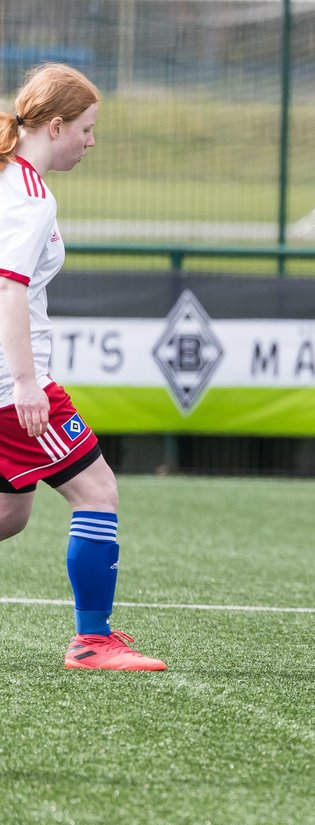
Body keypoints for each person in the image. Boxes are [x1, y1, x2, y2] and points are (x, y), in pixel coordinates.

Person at [0, 63, 166, 671]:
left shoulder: (6, 177)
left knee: (10, 513)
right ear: (57, 124)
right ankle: (93, 641)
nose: (92, 142)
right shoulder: (29, 197)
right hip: (11, 385)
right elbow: (8, 291)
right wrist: (25, 384)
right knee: (97, 491)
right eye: (88, 130)